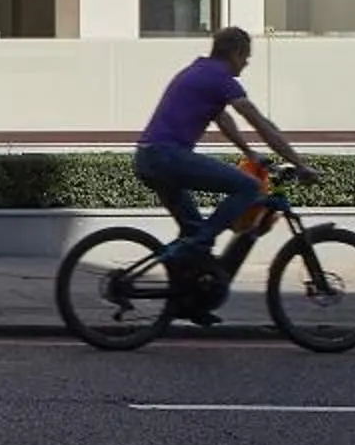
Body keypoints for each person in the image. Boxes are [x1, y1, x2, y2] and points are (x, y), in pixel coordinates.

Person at [132, 25, 315, 321]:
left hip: (151, 157)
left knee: (191, 231)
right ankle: (204, 239)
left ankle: (188, 301)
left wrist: (251, 154)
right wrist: (299, 163)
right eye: (246, 57)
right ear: (235, 53)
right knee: (251, 188)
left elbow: (223, 119)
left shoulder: (201, 72)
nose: (247, 63)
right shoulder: (220, 78)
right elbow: (261, 123)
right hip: (166, 157)